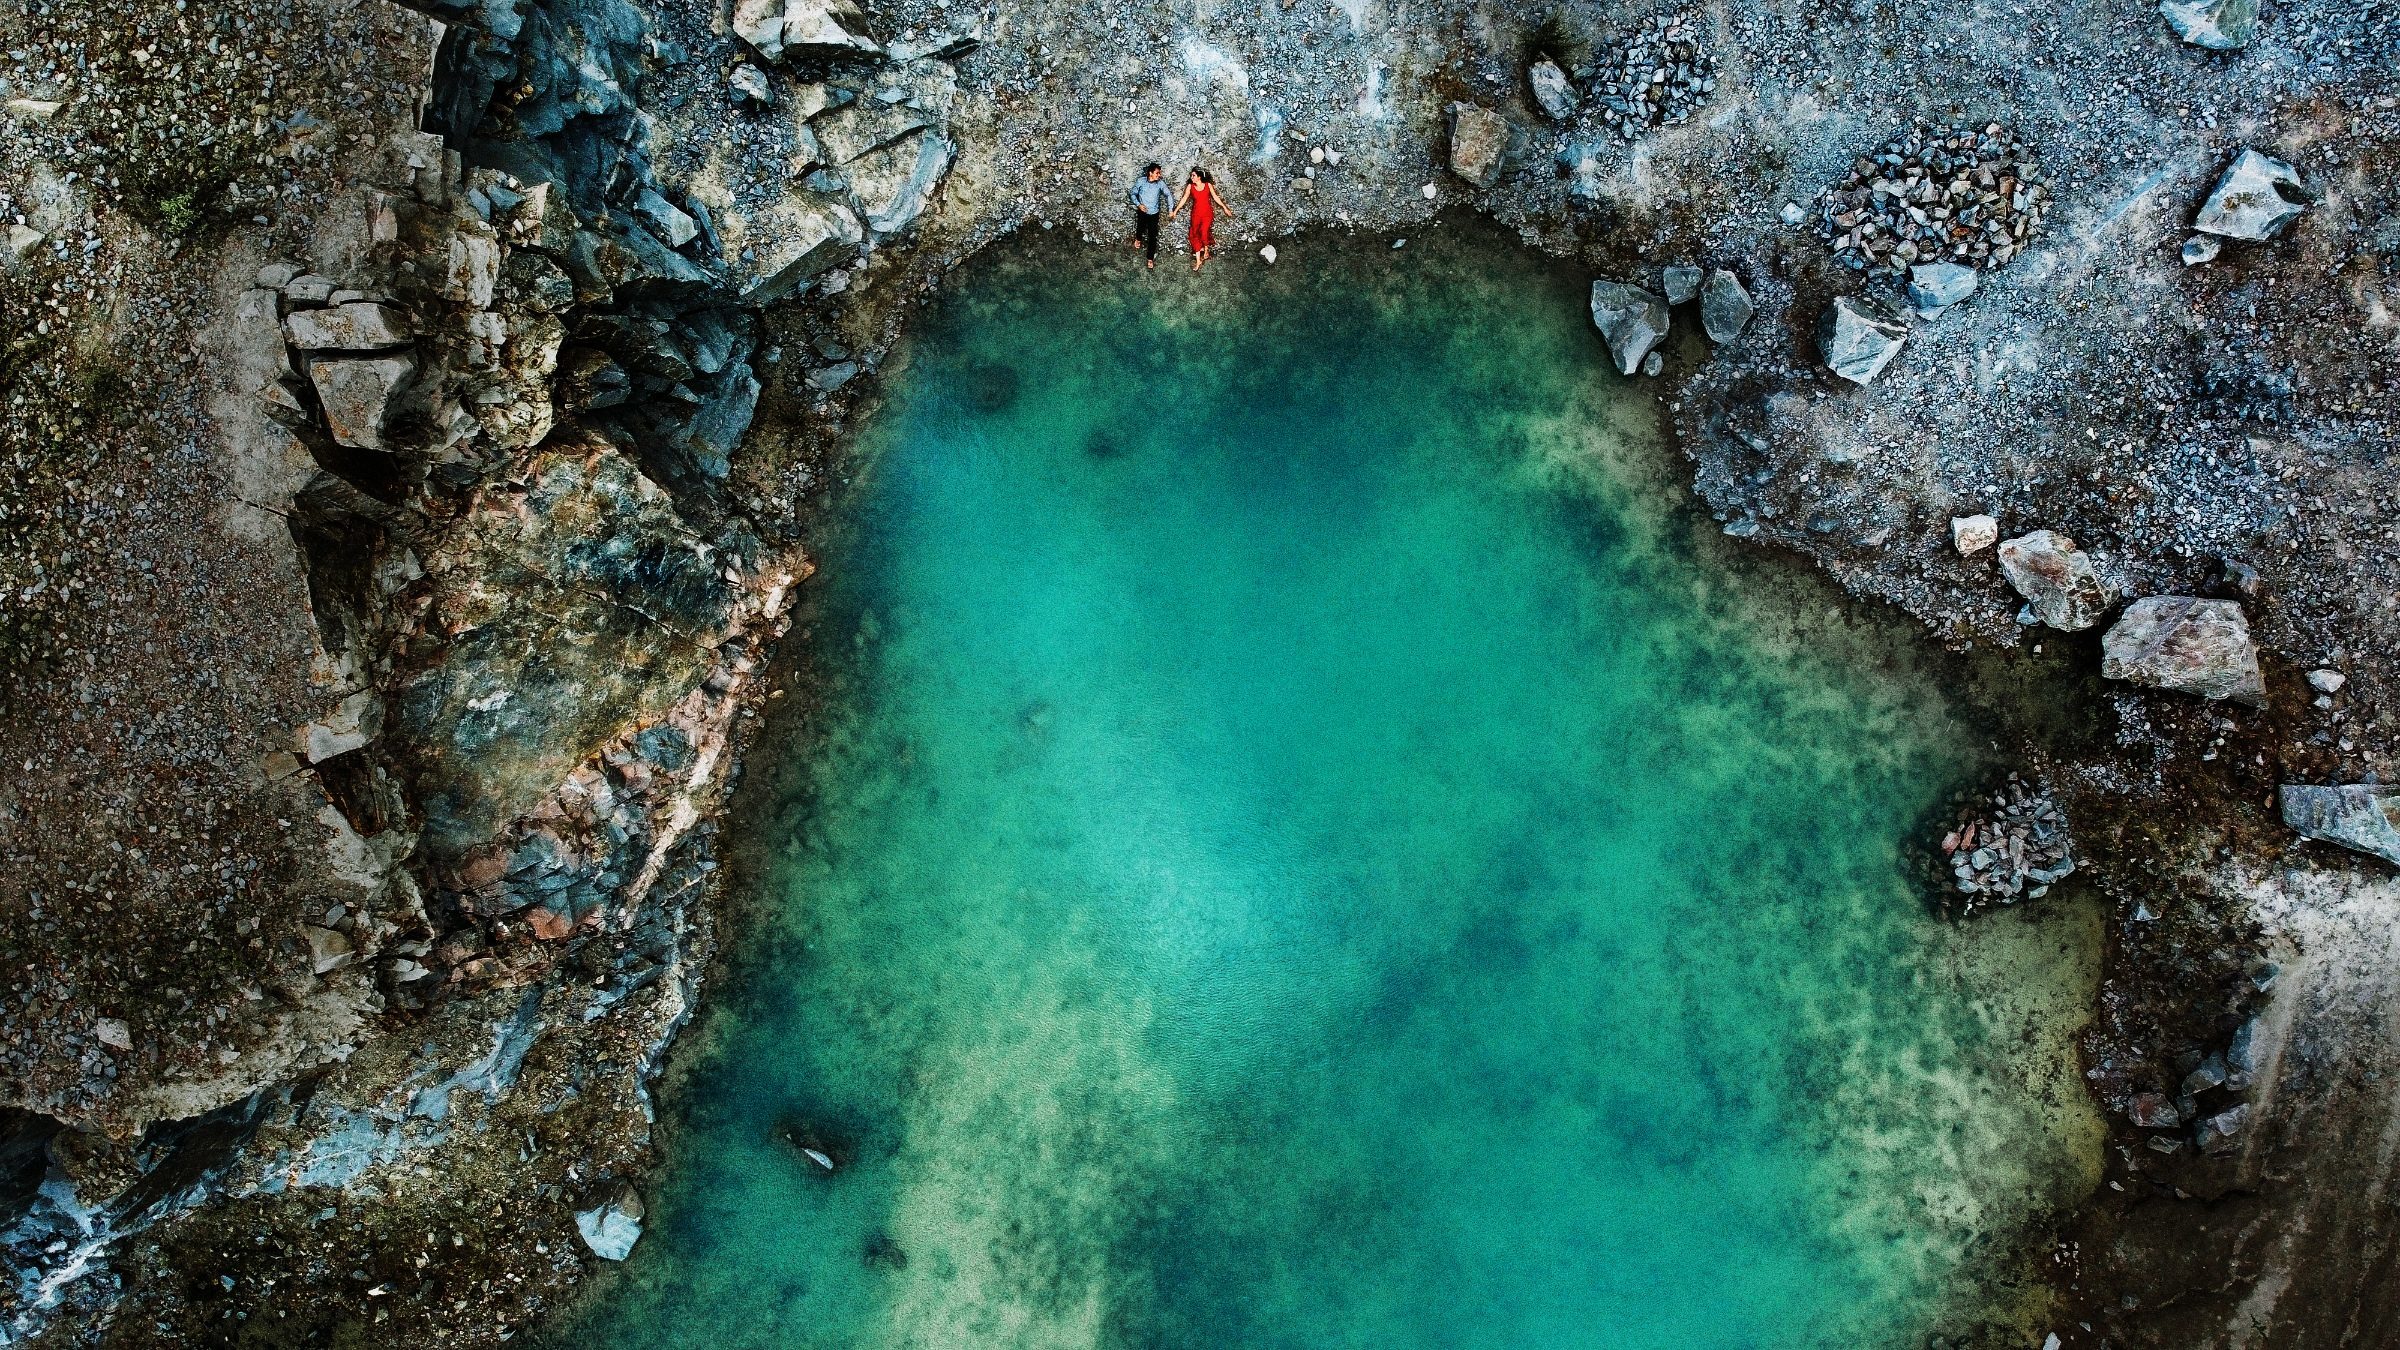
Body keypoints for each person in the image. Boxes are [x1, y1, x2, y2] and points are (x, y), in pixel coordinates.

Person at [1176, 167, 1225, 272]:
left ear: (1199, 177)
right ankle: (1198, 260)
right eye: (1191, 175)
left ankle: (1206, 250)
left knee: (1203, 232)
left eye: (1193, 175)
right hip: (1196, 215)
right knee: (1194, 234)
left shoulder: (1208, 185)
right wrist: (1176, 210)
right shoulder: (1190, 186)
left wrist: (1224, 208)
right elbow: (1184, 199)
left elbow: (1215, 197)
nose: (1191, 177)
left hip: (1207, 214)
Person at [1127, 163, 1175, 269]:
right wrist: (1139, 205)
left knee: (1152, 236)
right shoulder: (1141, 181)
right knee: (1140, 227)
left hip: (1154, 213)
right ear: (1150, 173)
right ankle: (1138, 239)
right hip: (1143, 212)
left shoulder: (1160, 183)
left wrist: (1170, 209)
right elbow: (1132, 193)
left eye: (1159, 173)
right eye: (1157, 173)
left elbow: (1168, 195)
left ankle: (1150, 258)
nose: (1159, 175)